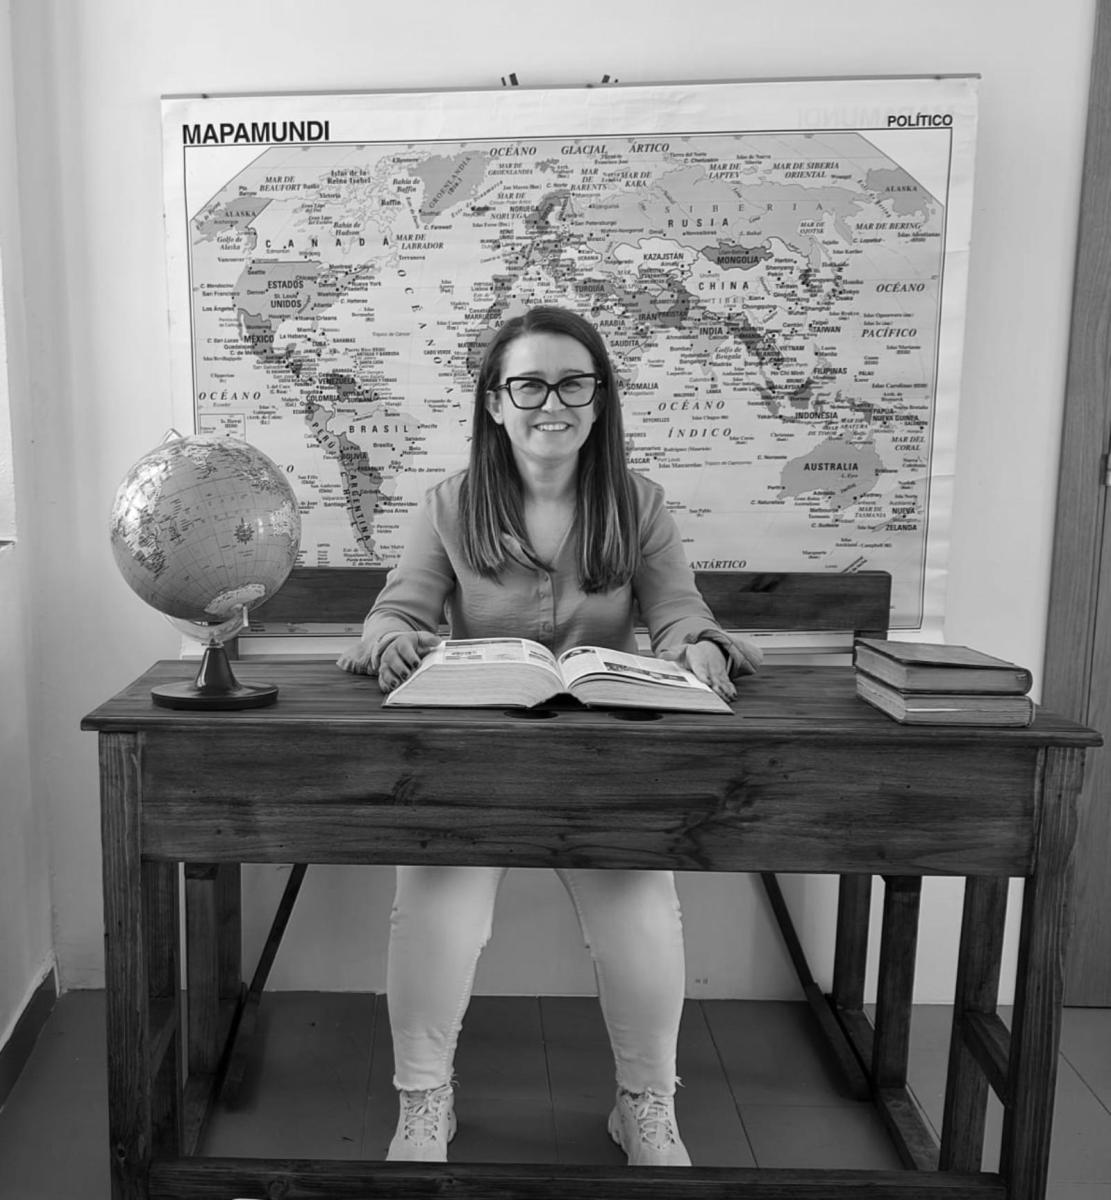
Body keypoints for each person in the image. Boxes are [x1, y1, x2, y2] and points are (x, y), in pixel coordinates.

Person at [338, 305, 761, 1166]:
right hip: (475, 771)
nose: (551, 403)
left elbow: (679, 613)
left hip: (603, 772)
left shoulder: (638, 505)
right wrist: (397, 642)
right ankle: (424, 1103)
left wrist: (701, 648)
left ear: (599, 400)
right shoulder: (448, 505)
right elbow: (393, 613)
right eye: (528, 384)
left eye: (573, 383)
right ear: (495, 402)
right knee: (433, 908)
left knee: (643, 912)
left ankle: (645, 1107)